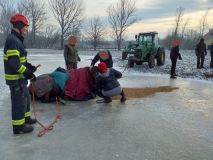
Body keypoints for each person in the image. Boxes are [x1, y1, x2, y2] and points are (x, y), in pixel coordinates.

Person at [3, 13, 37, 134]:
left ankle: (26, 119)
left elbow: (21, 60)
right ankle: (19, 127)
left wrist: (29, 67)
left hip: (20, 78)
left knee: (26, 98)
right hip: (15, 79)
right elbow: (14, 63)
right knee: (18, 102)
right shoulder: (12, 40)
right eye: (25, 27)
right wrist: (28, 73)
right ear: (19, 25)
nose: (26, 30)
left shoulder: (17, 40)